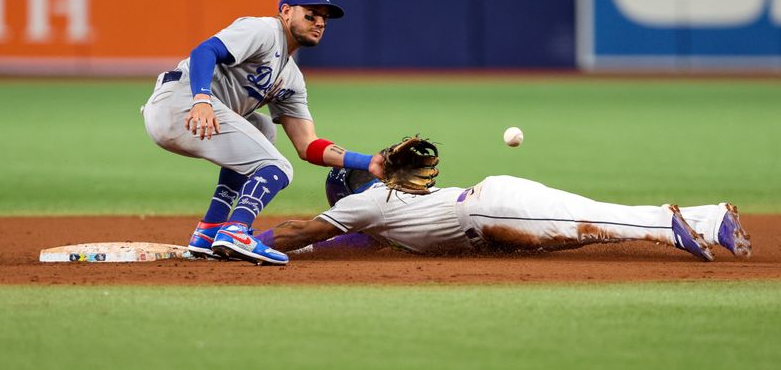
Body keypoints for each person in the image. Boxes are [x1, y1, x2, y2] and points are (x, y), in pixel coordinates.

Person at [142, 0, 384, 265]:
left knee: (263, 129)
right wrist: (201, 100)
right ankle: (237, 230)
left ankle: (210, 230)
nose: (319, 22)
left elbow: (308, 145)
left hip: (194, 111)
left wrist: (369, 162)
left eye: (324, 19)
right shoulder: (264, 30)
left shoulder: (292, 78)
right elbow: (204, 51)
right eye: (311, 14)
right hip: (179, 103)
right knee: (278, 167)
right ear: (286, 11)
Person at [254, 168, 752, 262]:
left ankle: (669, 225)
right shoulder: (382, 218)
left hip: (491, 209)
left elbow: (303, 232)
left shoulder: (365, 204)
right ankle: (709, 220)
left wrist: (245, 242)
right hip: (494, 208)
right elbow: (331, 244)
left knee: (590, 222)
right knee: (591, 223)